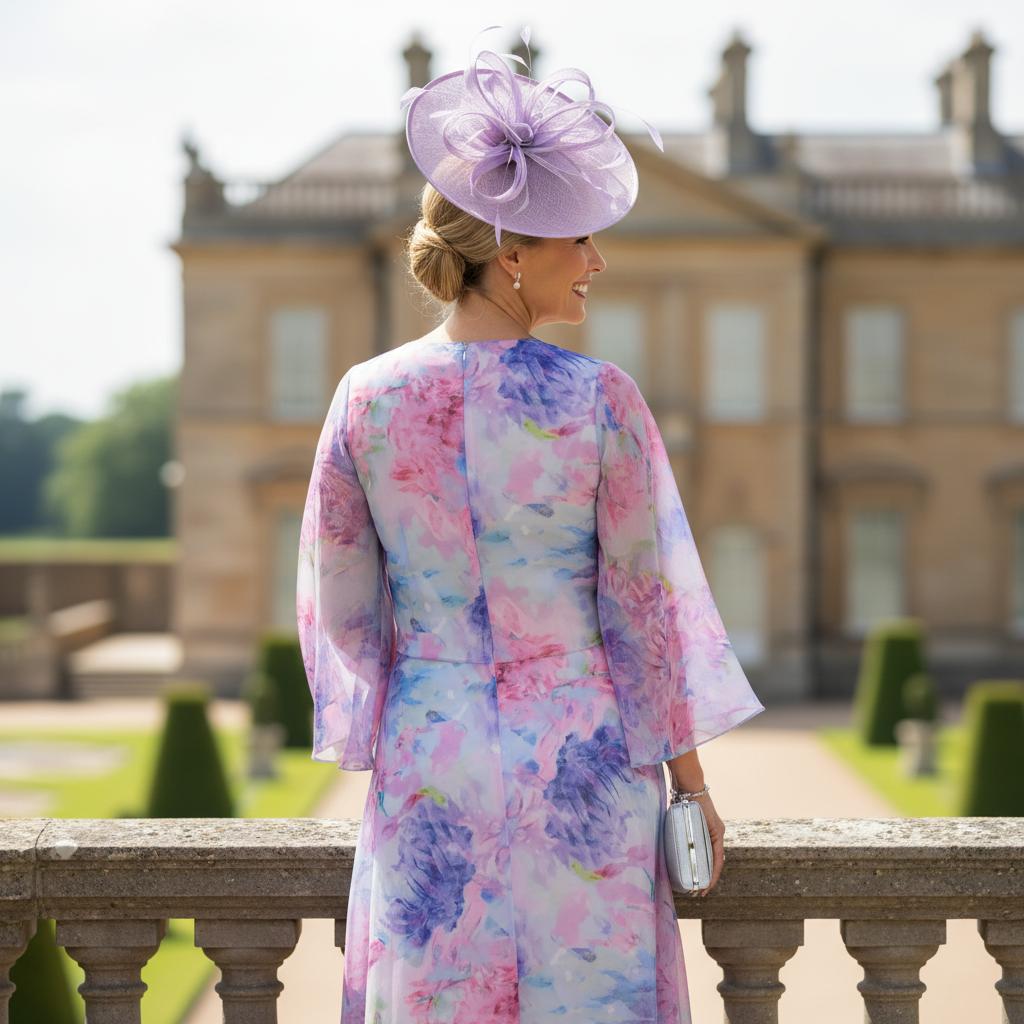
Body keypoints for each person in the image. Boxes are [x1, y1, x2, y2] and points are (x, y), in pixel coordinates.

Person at [296, 25, 765, 1023]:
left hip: (430, 756)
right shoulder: (601, 400)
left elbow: (340, 610)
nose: (595, 259)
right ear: (510, 252)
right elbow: (646, 614)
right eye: (577, 237)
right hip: (581, 764)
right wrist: (690, 787)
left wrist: (416, 697)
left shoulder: (364, 397)